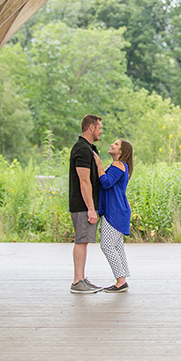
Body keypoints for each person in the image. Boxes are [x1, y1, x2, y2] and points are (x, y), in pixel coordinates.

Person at [68, 114, 104, 294]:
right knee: (81, 241)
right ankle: (77, 281)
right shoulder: (81, 149)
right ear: (91, 127)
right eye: (99, 128)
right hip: (82, 205)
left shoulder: (89, 149)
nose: (101, 131)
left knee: (84, 241)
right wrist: (90, 208)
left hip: (87, 205)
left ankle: (82, 278)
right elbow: (84, 181)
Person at [94, 138, 134, 293]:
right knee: (117, 247)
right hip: (119, 210)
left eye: (116, 144)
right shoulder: (122, 166)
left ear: (122, 152)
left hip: (115, 212)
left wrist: (99, 166)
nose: (112, 145)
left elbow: (106, 182)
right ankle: (122, 278)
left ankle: (121, 281)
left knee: (107, 245)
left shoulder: (118, 165)